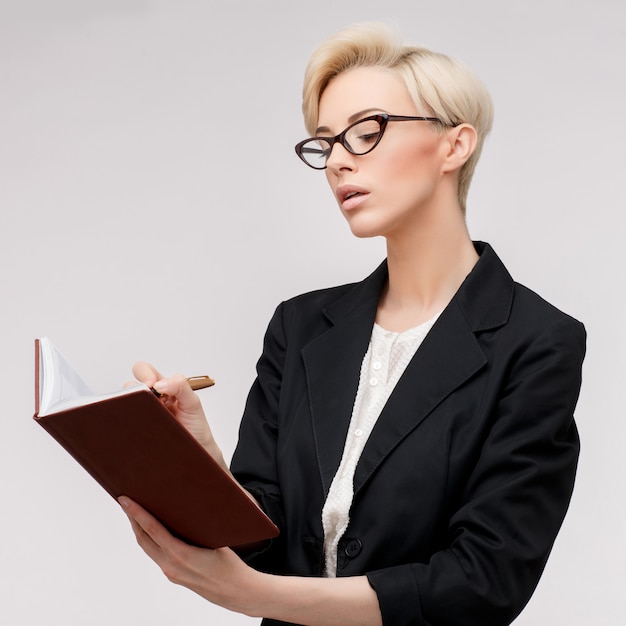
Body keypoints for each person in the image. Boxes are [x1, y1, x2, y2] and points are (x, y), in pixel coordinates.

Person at [119, 22, 586, 626]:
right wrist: (197, 453)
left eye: (367, 132)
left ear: (455, 145)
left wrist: (251, 596)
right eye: (325, 144)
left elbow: (482, 581)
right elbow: (262, 534)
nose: (338, 161)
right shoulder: (301, 326)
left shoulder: (537, 341)